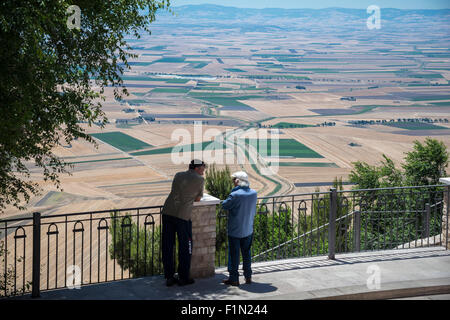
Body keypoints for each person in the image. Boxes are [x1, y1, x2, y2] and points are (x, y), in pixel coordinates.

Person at [161, 159, 206, 287]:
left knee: (168, 245)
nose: (203, 171)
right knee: (186, 246)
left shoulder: (178, 175)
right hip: (182, 216)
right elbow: (197, 198)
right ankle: (183, 277)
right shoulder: (199, 179)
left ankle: (169, 277)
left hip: (168, 211)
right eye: (203, 168)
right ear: (197, 168)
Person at [221, 171, 257, 286]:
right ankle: (248, 277)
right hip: (248, 229)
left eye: (234, 180)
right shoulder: (253, 193)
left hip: (235, 231)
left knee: (234, 255)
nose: (233, 182)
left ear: (237, 181)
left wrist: (233, 191)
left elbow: (224, 205)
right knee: (246, 254)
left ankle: (234, 279)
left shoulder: (235, 194)